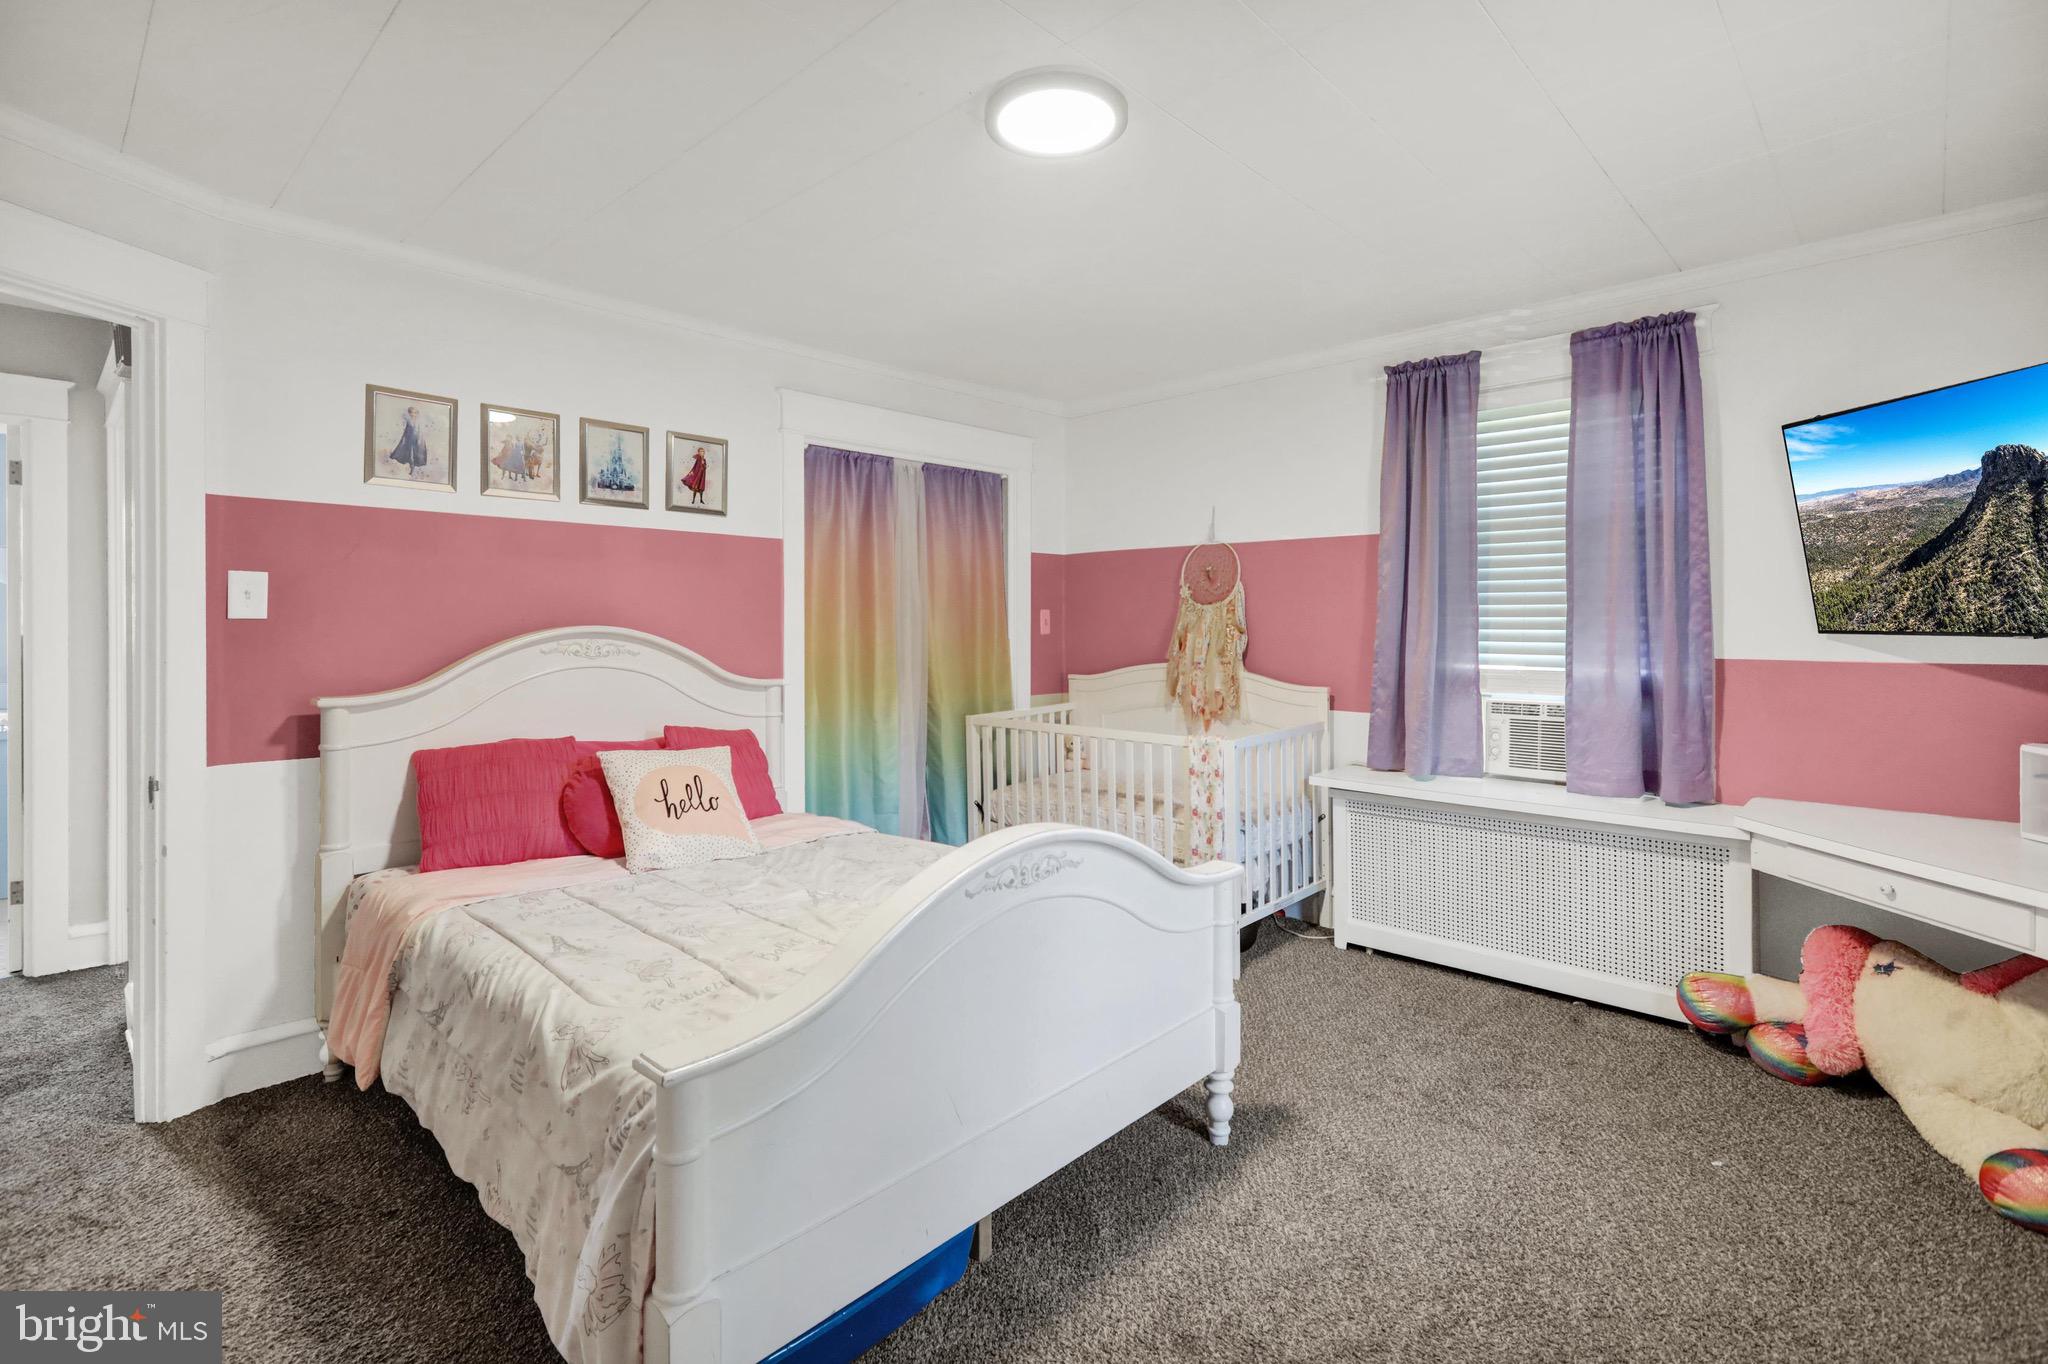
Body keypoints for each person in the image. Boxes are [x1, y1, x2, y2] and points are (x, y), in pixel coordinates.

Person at [387, 404, 430, 477]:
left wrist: (419, 441)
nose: (412, 414)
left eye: (414, 412)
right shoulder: (409, 421)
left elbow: (420, 433)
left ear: (417, 413)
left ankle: (413, 469)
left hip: (417, 440)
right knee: (410, 456)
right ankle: (411, 469)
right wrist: (404, 439)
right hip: (409, 441)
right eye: (411, 412)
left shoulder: (419, 422)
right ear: (409, 413)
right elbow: (406, 432)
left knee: (416, 455)